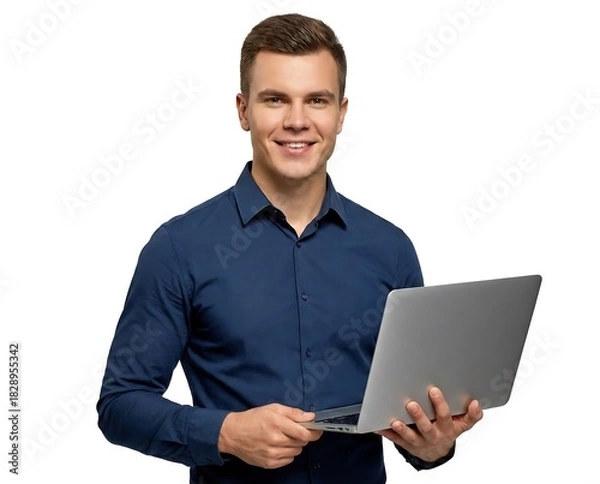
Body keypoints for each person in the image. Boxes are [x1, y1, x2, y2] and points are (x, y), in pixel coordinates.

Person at [96, 12, 483, 483]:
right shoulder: (179, 248)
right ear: (243, 110)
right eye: (275, 99)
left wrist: (435, 446)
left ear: (341, 113)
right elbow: (120, 404)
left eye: (316, 100)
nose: (297, 121)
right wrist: (225, 432)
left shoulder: (391, 249)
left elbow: (412, 416)